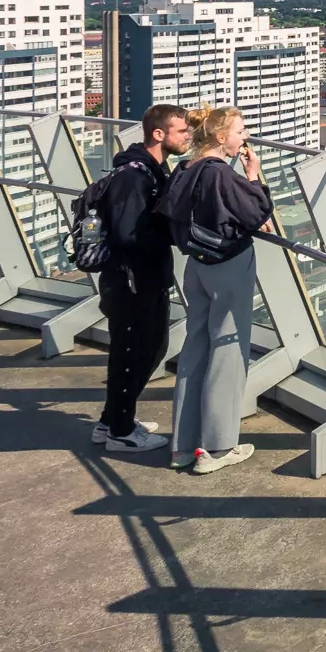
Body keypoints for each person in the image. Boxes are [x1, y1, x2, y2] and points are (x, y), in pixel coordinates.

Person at [158, 106, 276, 475]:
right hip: (227, 265)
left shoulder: (186, 169)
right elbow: (256, 212)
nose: (246, 137)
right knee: (228, 349)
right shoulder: (219, 174)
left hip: (197, 266)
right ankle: (218, 447)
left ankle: (183, 445)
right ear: (221, 137)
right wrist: (254, 176)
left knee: (195, 346)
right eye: (241, 131)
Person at [93, 103, 192, 452]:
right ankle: (120, 431)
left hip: (139, 277)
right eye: (182, 131)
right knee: (137, 350)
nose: (188, 137)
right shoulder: (136, 176)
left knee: (138, 348)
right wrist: (170, 234)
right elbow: (126, 233)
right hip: (132, 279)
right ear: (159, 134)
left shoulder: (152, 171)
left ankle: (112, 420)